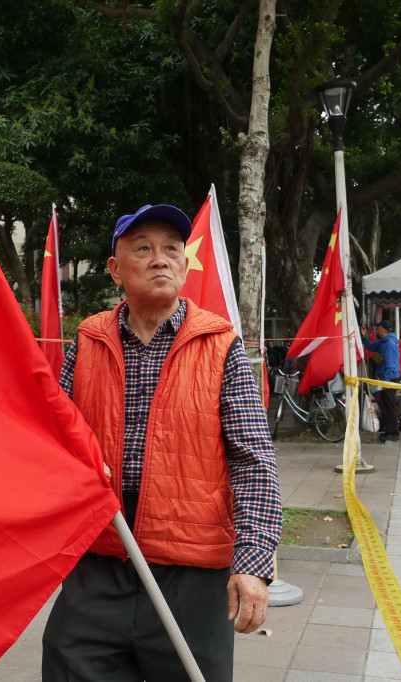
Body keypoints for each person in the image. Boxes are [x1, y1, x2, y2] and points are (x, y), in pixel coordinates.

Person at [42, 204, 283, 681]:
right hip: (101, 561)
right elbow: (55, 444)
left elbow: (253, 461)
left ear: (185, 264)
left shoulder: (220, 346)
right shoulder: (88, 341)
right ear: (115, 270)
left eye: (172, 249)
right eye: (144, 249)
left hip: (191, 574)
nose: (161, 259)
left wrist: (253, 563)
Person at [360, 319, 401, 442]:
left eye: (378, 329)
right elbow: (371, 346)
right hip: (384, 378)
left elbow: (391, 365)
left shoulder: (389, 344)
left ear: (383, 329)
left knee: (389, 406)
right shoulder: (383, 342)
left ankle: (393, 433)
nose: (377, 331)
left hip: (389, 379)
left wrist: (386, 382)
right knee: (385, 406)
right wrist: (364, 337)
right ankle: (389, 431)